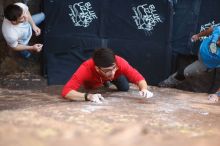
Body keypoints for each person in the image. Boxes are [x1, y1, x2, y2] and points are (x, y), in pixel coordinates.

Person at [62, 48, 153, 103]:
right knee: (92, 89)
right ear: (97, 68)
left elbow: (139, 78)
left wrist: (144, 89)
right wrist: (88, 96)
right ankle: (104, 83)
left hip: (116, 78)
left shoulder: (120, 62)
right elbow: (66, 92)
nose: (112, 72)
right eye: (108, 70)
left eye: (114, 67)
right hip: (94, 82)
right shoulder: (86, 68)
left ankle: (107, 81)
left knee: (125, 87)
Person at [159, 25, 220, 102]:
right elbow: (210, 30)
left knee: (183, 73)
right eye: (218, 39)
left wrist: (217, 95)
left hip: (205, 63)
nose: (217, 42)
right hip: (201, 50)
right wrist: (198, 35)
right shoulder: (219, 29)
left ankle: (164, 84)